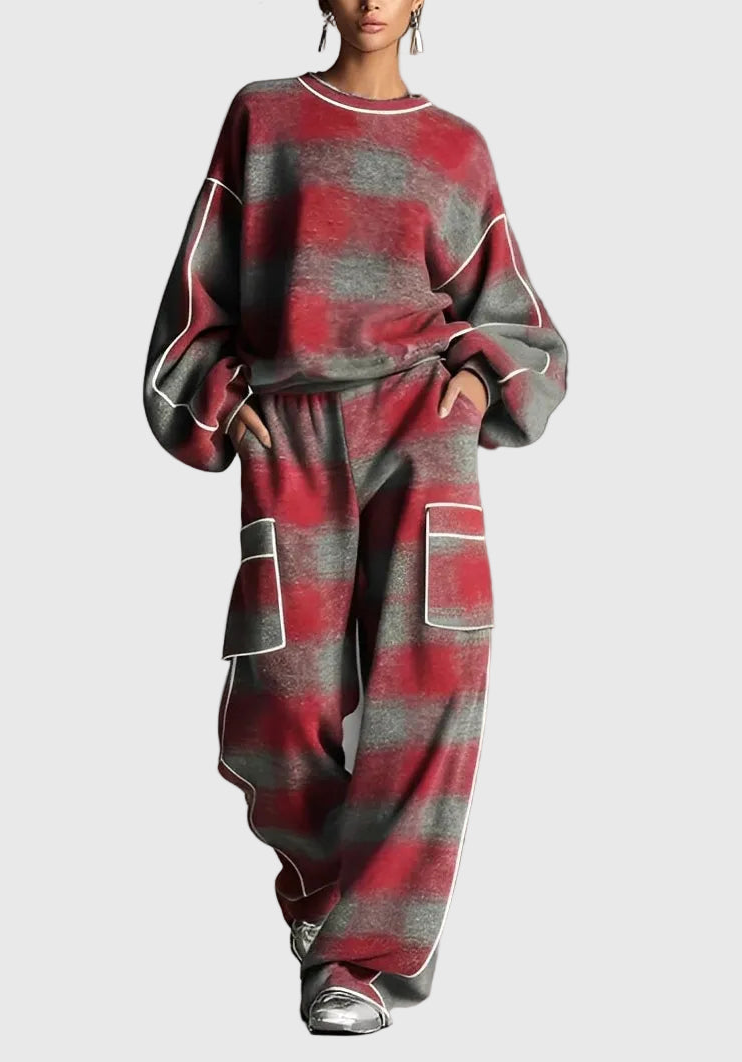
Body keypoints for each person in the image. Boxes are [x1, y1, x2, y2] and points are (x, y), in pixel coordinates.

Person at [142, 0, 568, 1036]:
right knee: (280, 693)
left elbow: (524, 326)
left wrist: (476, 385)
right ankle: (331, 898)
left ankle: (356, 964)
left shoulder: (456, 148)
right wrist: (222, 405)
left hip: (418, 426)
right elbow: (197, 298)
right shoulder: (264, 117)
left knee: (431, 682)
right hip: (292, 426)